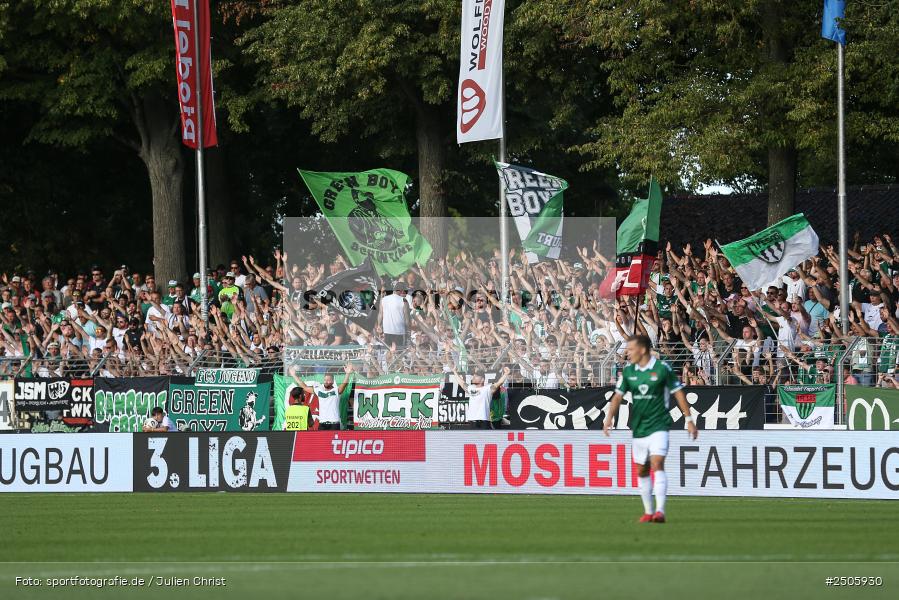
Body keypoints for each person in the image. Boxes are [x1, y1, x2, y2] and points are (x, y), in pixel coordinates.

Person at [603, 335, 697, 523]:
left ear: (643, 350)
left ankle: (660, 511)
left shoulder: (662, 369)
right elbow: (617, 397)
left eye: (630, 349)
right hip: (638, 428)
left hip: (659, 424)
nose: (627, 353)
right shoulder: (629, 372)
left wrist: (689, 419)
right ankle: (648, 511)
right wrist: (608, 418)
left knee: (657, 464)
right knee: (642, 470)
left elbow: (678, 393)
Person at [290, 363, 354, 430]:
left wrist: (348, 373)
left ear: (332, 381)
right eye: (325, 380)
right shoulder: (319, 390)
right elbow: (304, 387)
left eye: (328, 380)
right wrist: (294, 375)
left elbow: (344, 385)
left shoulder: (336, 390)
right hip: (322, 424)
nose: (326, 382)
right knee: (321, 441)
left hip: (334, 423)